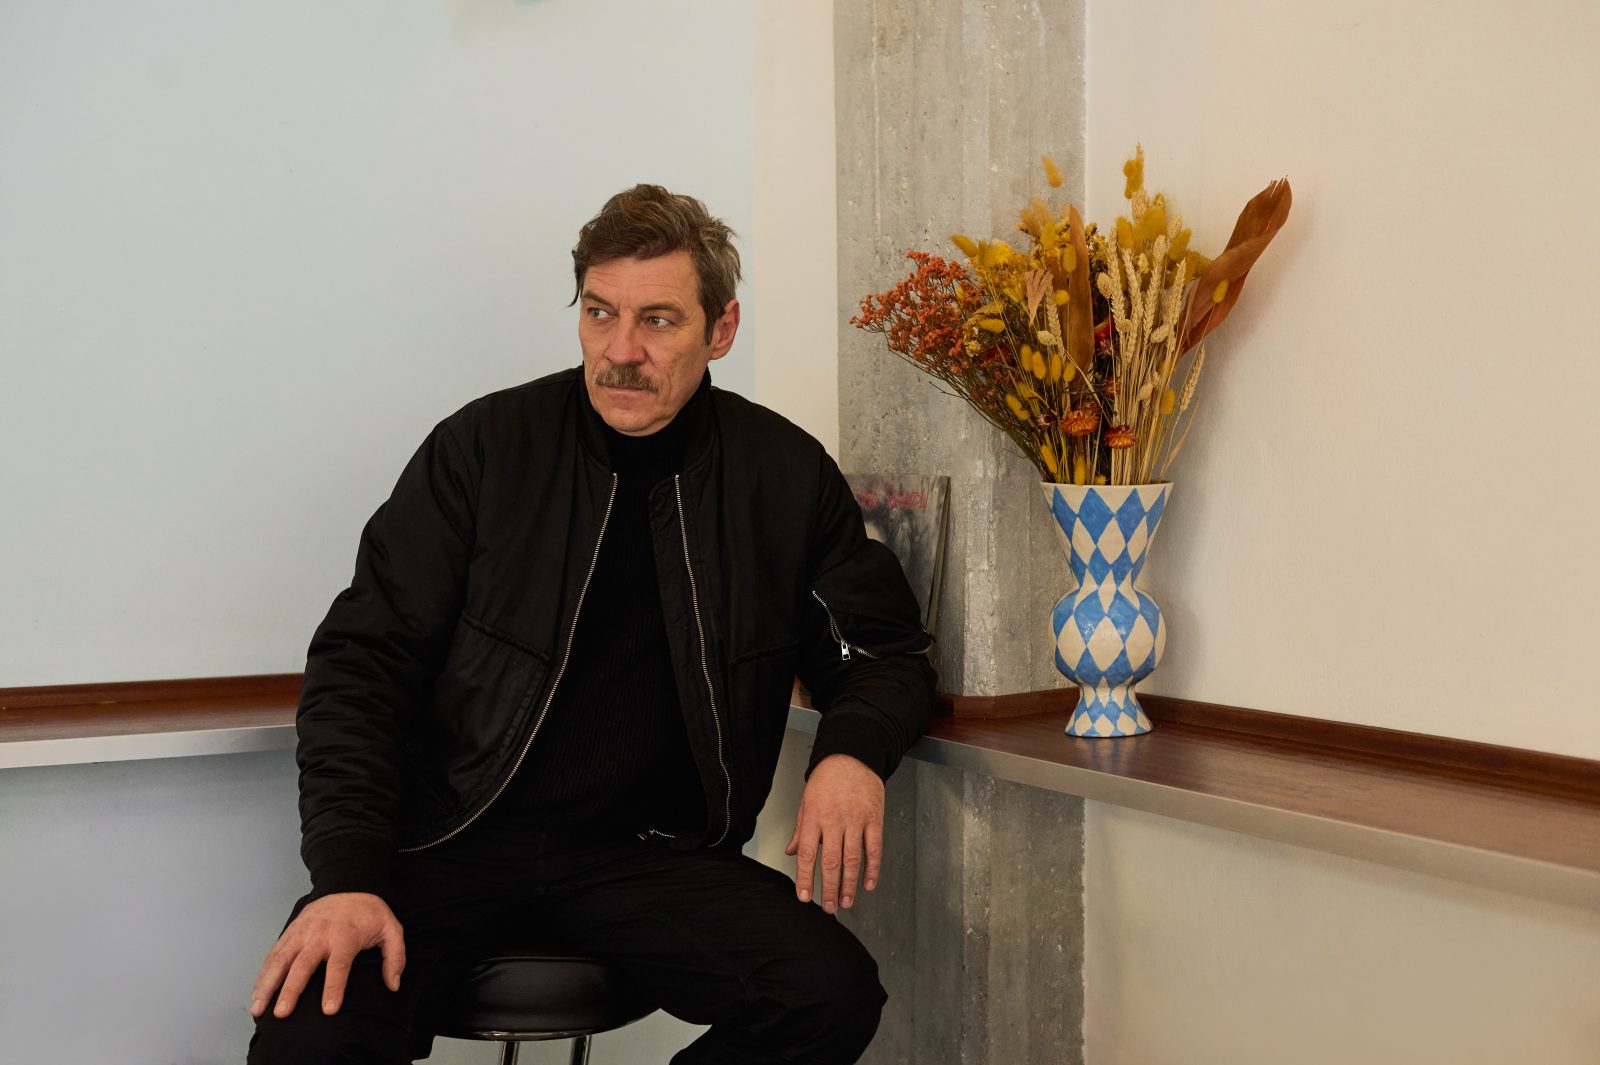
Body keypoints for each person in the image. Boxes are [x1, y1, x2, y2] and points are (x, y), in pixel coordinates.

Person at [246, 184, 936, 1064]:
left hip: (650, 856)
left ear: (721, 329)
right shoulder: (482, 449)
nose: (621, 351)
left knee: (826, 993)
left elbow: (883, 653)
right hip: (447, 840)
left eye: (658, 320)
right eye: (600, 312)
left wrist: (852, 754)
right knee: (311, 1030)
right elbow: (360, 669)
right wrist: (346, 877)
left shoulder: (784, 475)